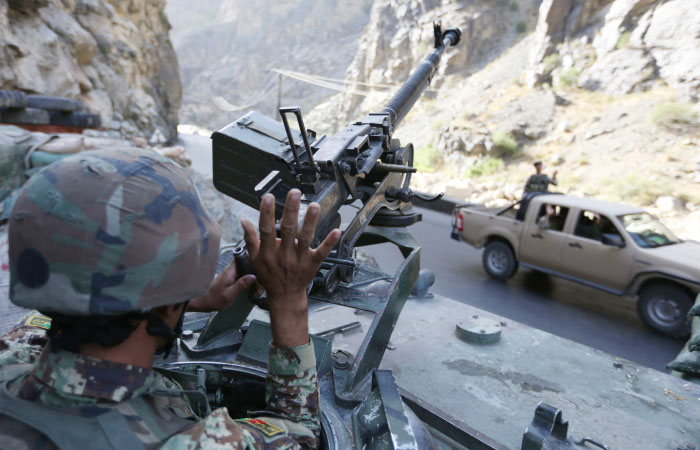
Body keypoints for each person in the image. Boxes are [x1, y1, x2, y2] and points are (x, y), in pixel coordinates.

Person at [0, 147, 340, 449]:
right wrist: (289, 298)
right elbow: (299, 434)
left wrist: (180, 297)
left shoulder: (10, 357)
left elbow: (44, 317)